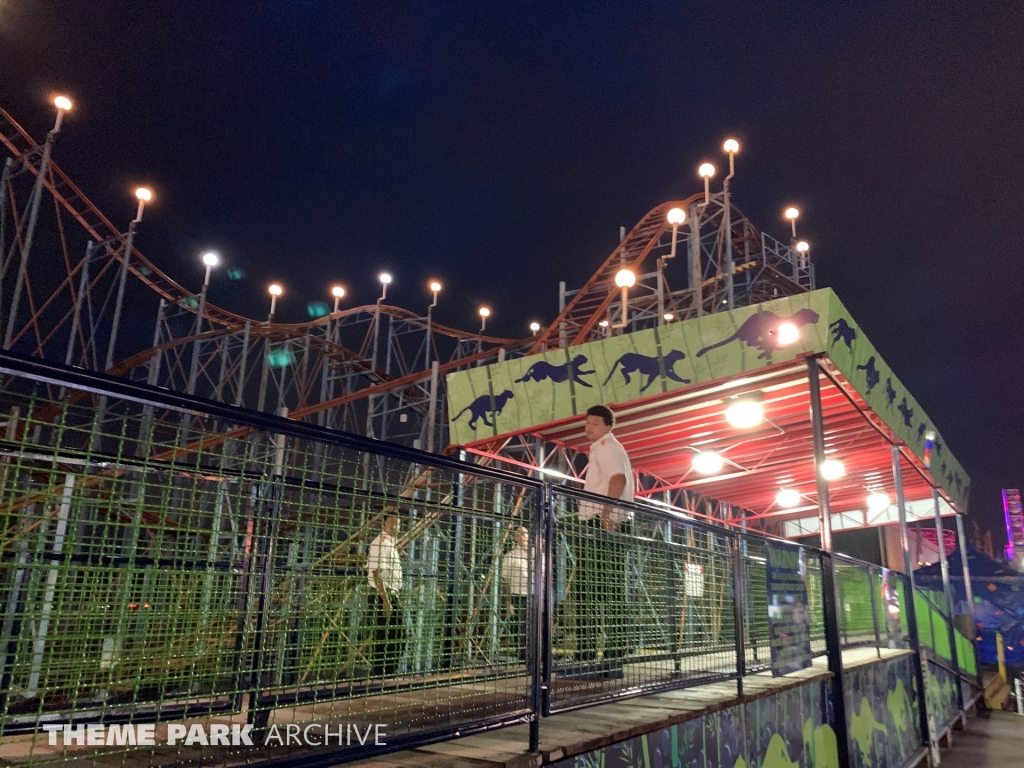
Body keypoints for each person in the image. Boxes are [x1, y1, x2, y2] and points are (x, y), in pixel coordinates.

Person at [575, 404, 634, 665]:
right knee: (607, 589)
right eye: (587, 422)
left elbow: (617, 479)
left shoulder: (606, 447)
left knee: (590, 589)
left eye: (595, 423)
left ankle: (589, 654)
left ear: (609, 426)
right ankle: (612, 651)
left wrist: (607, 513)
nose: (589, 427)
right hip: (606, 522)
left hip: (601, 524)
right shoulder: (608, 447)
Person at [366, 515, 405, 678]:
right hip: (382, 595)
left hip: (389, 593)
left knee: (391, 634)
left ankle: (385, 673)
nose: (395, 527)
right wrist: (385, 600)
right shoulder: (380, 542)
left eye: (398, 524)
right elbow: (375, 572)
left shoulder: (389, 544)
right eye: (391, 523)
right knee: (389, 635)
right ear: (384, 524)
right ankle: (381, 674)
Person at [501, 526, 530, 662]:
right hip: (518, 596)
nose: (522, 536)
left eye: (524, 533)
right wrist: (508, 602)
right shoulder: (510, 556)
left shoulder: (538, 554)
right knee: (521, 628)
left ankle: (537, 655)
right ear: (515, 538)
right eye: (518, 534)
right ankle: (524, 657)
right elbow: (505, 581)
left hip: (536, 596)